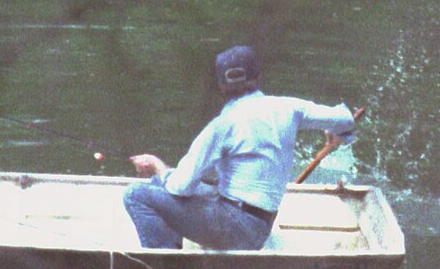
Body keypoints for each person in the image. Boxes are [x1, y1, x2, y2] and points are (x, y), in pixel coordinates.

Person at [122, 45, 360, 251]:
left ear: (221, 86)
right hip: (261, 227)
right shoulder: (290, 108)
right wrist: (337, 132)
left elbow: (180, 187)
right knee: (158, 186)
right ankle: (173, 251)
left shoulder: (222, 125)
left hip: (236, 231)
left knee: (136, 195)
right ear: (257, 76)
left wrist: (157, 165)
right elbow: (345, 119)